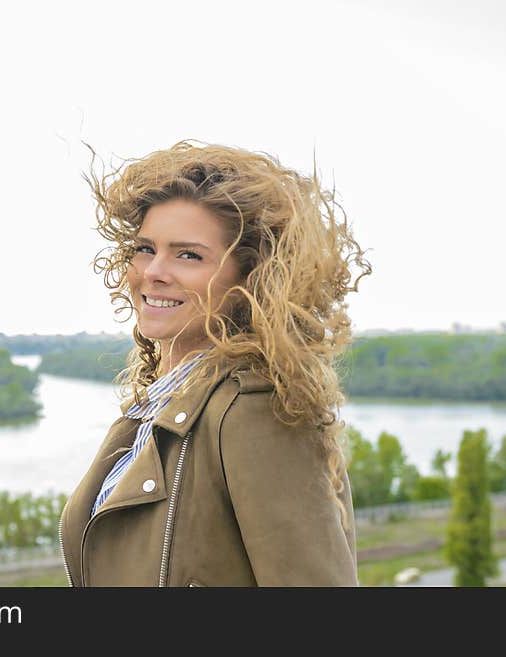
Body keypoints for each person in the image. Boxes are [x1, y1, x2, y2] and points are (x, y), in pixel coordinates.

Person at [58, 139, 372, 586]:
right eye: (146, 248)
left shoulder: (256, 410)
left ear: (252, 277)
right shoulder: (158, 407)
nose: (153, 271)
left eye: (188, 255)